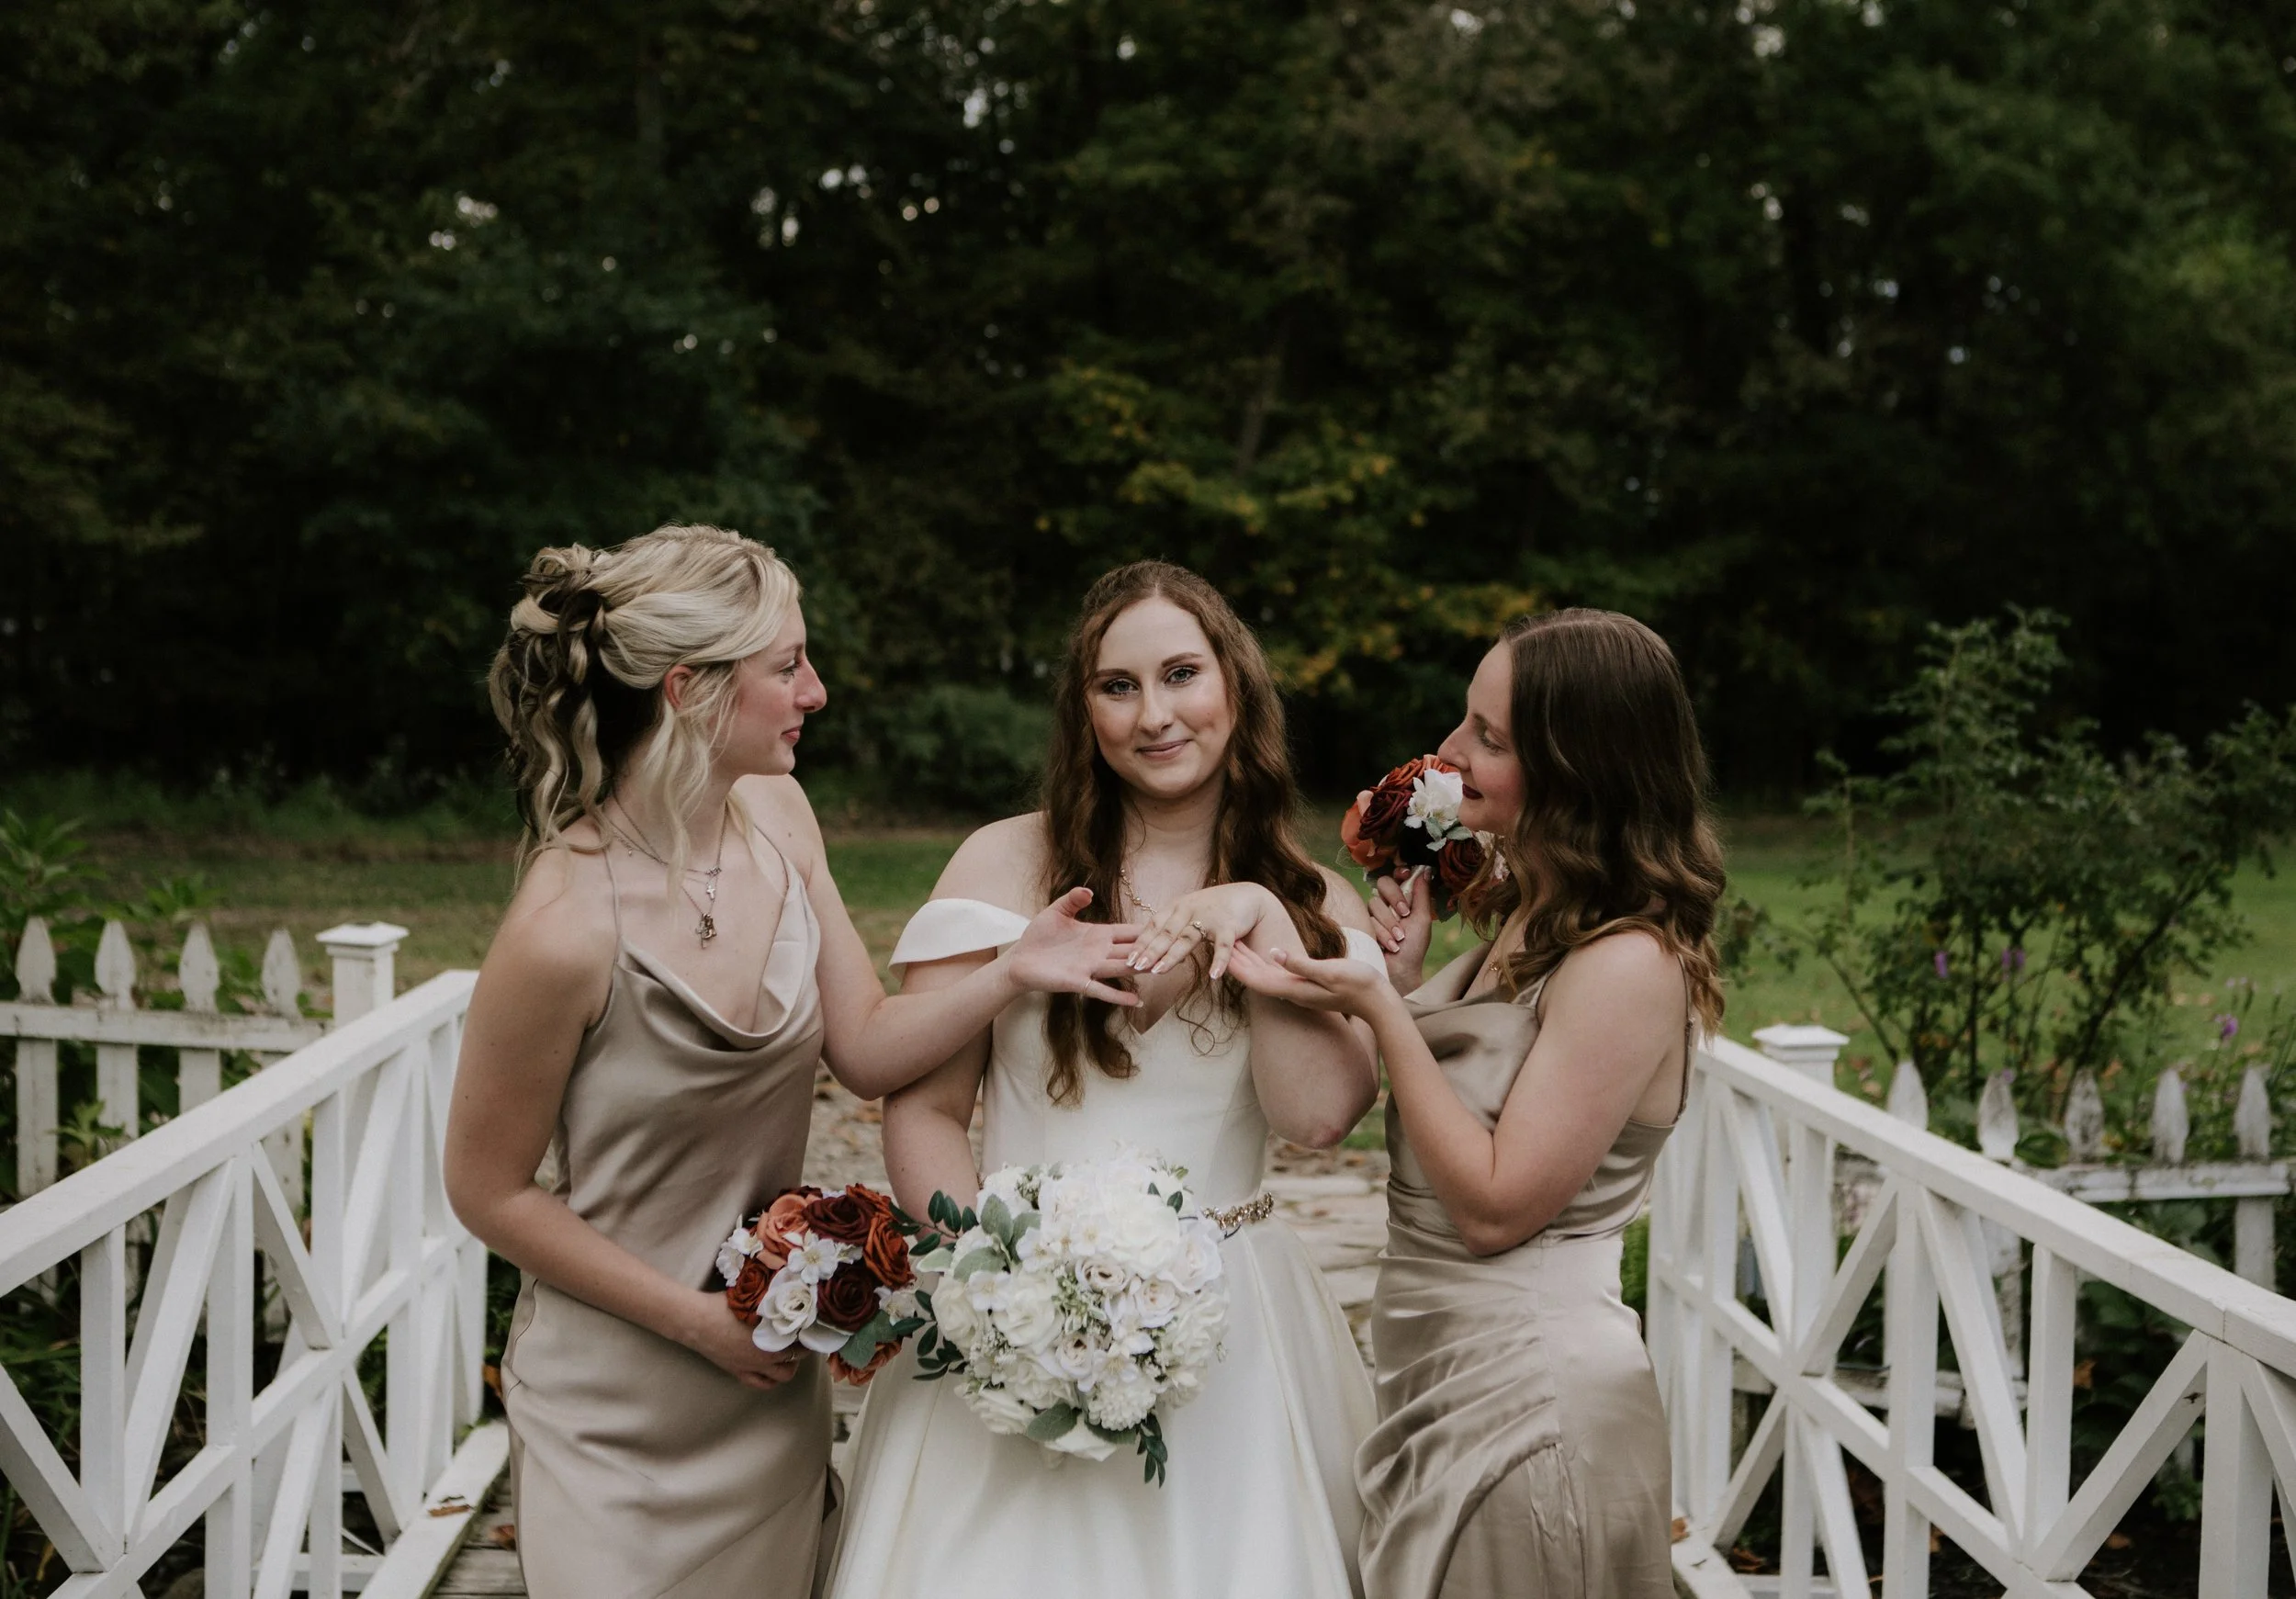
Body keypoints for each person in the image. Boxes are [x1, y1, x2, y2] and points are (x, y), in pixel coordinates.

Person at [444, 524, 1140, 1599]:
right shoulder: (563, 925)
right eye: (787, 666)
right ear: (688, 690)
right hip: (615, 1407)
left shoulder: (776, 815)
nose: (815, 690)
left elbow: (863, 1045)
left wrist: (1012, 972)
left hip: (767, 1385)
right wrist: (698, 1323)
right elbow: (485, 1189)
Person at [822, 560, 1387, 1599]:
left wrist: (1260, 912)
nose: (1154, 714)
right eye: (1117, 686)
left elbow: (1316, 1117)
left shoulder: (1313, 895)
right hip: (1013, 1304)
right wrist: (994, 1276)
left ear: (1235, 686)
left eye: (1181, 674)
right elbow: (929, 1108)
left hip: (1232, 1324)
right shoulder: (999, 866)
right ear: (1083, 710)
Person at [1221, 608, 1724, 1599]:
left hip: (1531, 1402)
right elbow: (1476, 1097)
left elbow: (1496, 1206)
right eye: (1466, 721)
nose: (1449, 752)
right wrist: (1405, 980)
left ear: (1577, 764)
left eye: (1489, 738)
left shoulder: (1626, 962)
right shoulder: (1534, 911)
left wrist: (1375, 1002)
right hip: (1442, 1375)